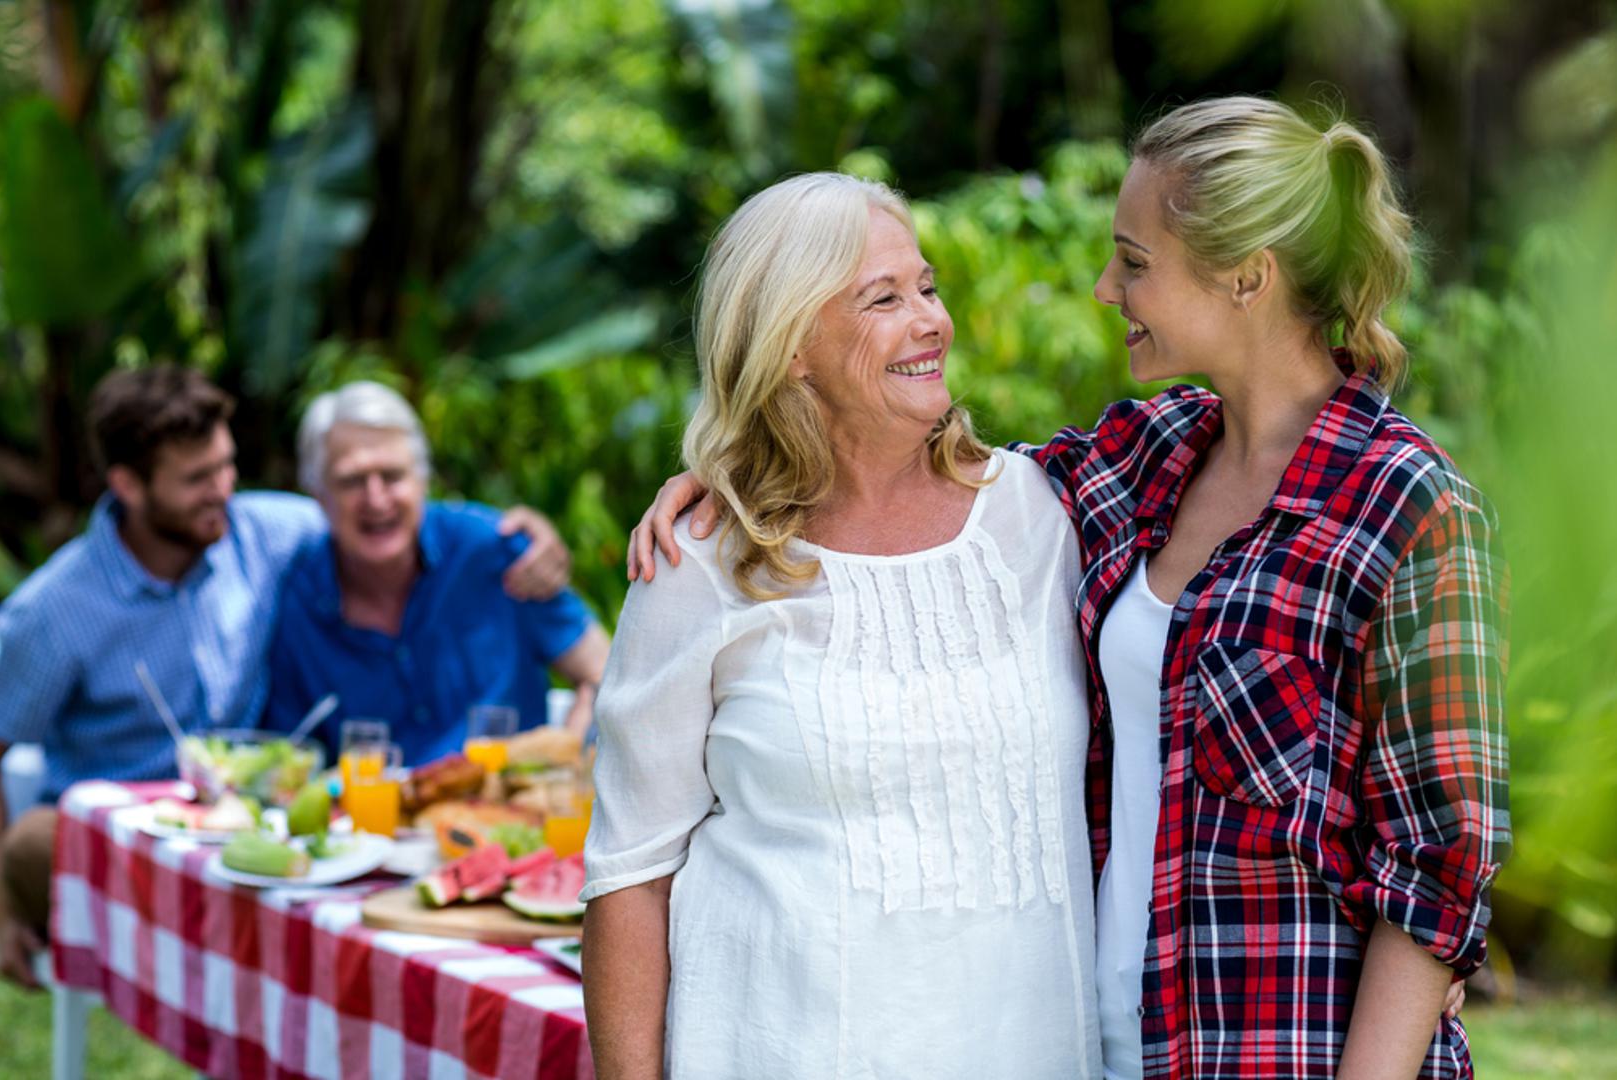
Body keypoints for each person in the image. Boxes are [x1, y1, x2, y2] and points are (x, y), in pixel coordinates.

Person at [629, 97, 1506, 1079]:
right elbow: (905, 484)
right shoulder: (1142, 462)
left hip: (1286, 1053)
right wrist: (739, 466)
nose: (1103, 287)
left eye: (1134, 262)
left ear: (1245, 277)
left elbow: (1437, 871)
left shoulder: (1408, 505)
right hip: (1112, 1047)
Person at [581, 173, 1101, 1079]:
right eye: (883, 299)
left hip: (1035, 1049)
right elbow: (630, 874)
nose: (932, 320)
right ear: (790, 348)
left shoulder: (1042, 515)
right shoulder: (699, 562)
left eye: (928, 288)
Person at [0, 365, 571, 988]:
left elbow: (389, 514)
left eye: (226, 466)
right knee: (35, 840)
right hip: (121, 847)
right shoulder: (55, 610)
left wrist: (522, 536)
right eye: (197, 479)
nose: (223, 490)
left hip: (250, 841)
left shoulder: (264, 531)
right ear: (128, 486)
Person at [262, 381, 609, 764]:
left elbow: (606, 673)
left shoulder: (493, 550)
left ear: (423, 480)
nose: (376, 500)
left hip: (509, 816)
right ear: (318, 495)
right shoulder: (299, 603)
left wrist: (565, 759)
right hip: (371, 822)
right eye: (352, 481)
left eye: (392, 476)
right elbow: (290, 758)